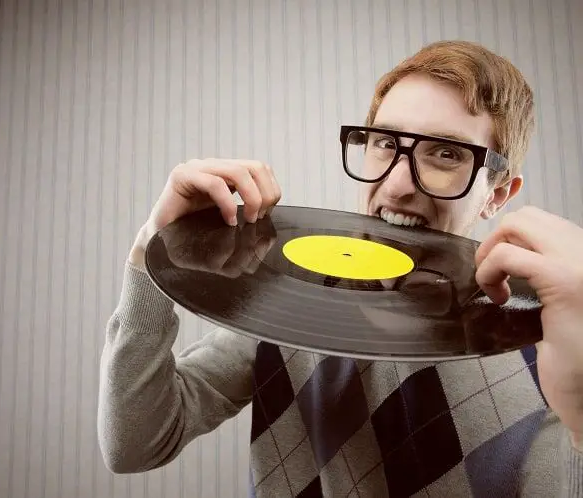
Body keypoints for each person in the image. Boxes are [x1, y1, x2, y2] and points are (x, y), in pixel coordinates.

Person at [98, 40, 583, 497]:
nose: (395, 187)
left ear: (496, 194)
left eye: (446, 154)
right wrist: (150, 251)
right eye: (385, 144)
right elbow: (136, 445)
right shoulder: (285, 306)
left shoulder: (554, 338)